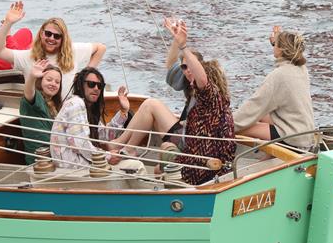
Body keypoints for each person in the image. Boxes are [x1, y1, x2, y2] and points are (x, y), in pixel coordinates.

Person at [111, 21, 236, 185]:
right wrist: (177, 43)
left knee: (154, 114)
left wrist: (183, 46)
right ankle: (125, 148)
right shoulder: (198, 89)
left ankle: (126, 149)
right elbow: (171, 67)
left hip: (203, 160)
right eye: (184, 67)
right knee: (158, 163)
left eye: (190, 66)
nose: (187, 71)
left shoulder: (210, 96)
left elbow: (203, 81)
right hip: (194, 146)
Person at [0, 0, 106, 97]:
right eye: (48, 34)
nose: (51, 38)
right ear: (41, 34)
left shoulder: (73, 51)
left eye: (57, 36)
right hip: (41, 114)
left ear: (63, 39)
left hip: (66, 113)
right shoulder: (28, 56)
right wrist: (8, 23)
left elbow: (100, 48)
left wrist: (83, 76)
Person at [233, 26, 316, 149]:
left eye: (275, 44)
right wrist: (276, 41)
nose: (273, 46)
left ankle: (269, 159)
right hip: (306, 133)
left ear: (282, 49)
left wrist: (226, 123)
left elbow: (254, 105)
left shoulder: (279, 76)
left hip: (293, 137)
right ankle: (269, 157)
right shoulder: (301, 69)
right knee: (262, 115)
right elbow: (288, 50)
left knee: (242, 128)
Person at [50, 67, 129, 168]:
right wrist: (107, 156)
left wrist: (123, 112)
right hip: (72, 167)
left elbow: (105, 134)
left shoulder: (87, 109)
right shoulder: (76, 104)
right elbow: (80, 144)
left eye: (100, 86)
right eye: (91, 84)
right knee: (135, 166)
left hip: (82, 163)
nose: (96, 88)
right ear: (80, 86)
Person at [20, 59, 63, 163]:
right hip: (40, 160)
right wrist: (32, 77)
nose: (53, 84)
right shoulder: (36, 98)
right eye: (49, 80)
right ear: (40, 81)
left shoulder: (55, 104)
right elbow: (29, 92)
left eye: (57, 82)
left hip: (55, 155)